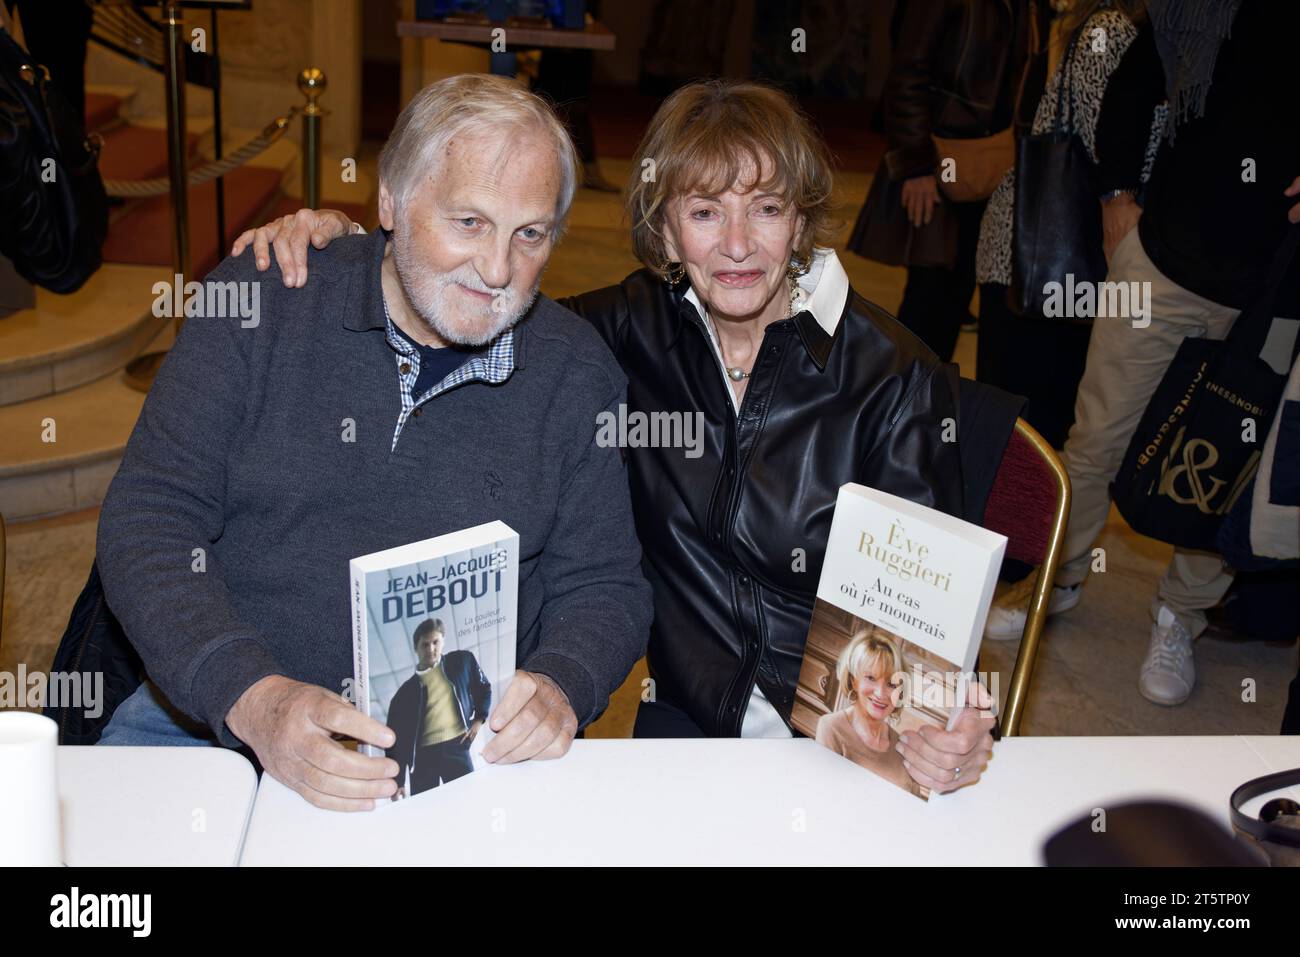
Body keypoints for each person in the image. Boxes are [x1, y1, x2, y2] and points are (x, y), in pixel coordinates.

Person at [234, 79, 997, 795]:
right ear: (664, 229)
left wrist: (946, 726)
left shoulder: (897, 378)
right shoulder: (621, 332)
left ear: (801, 218)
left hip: (837, 739)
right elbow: (472, 292)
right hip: (683, 718)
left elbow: (922, 629)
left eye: (765, 208)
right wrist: (350, 247)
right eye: (703, 212)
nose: (737, 244)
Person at [94, 74, 654, 812]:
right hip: (214, 723)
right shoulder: (261, 305)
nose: (498, 272)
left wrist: (562, 682)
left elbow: (605, 583)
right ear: (390, 200)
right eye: (468, 222)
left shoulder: (573, 376)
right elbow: (148, 519)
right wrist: (253, 698)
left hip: (457, 755)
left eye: (530, 233)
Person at [985, 0, 1300, 706]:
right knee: (1096, 437)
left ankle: (1179, 617)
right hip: (1164, 258)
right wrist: (1117, 196)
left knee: (1226, 468)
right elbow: (1132, 85)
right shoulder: (1198, 6)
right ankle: (1056, 576)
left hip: (1276, 286)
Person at [975, 0, 1165, 450]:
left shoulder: (1104, 27)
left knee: (1022, 428)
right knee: (1027, 436)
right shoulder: (1109, 28)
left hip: (1045, 252)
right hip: (1043, 257)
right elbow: (1105, 142)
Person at [849, 0, 1036, 361]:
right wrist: (916, 167)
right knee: (929, 298)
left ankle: (929, 401)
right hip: (939, 161)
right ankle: (901, 403)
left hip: (987, 164)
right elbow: (907, 77)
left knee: (956, 292)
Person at [814, 628, 925, 799]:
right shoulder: (831, 728)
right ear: (853, 680)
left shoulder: (905, 749)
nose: (881, 694)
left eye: (891, 684)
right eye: (871, 678)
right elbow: (823, 798)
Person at [386, 619, 491, 797]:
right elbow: (396, 740)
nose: (431, 649)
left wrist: (479, 720)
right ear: (416, 648)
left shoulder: (463, 661)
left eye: (435, 642)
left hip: (457, 746)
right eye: (425, 644)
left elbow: (483, 688)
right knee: (424, 813)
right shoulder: (403, 694)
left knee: (468, 799)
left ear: (443, 640)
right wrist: (398, 782)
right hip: (422, 758)